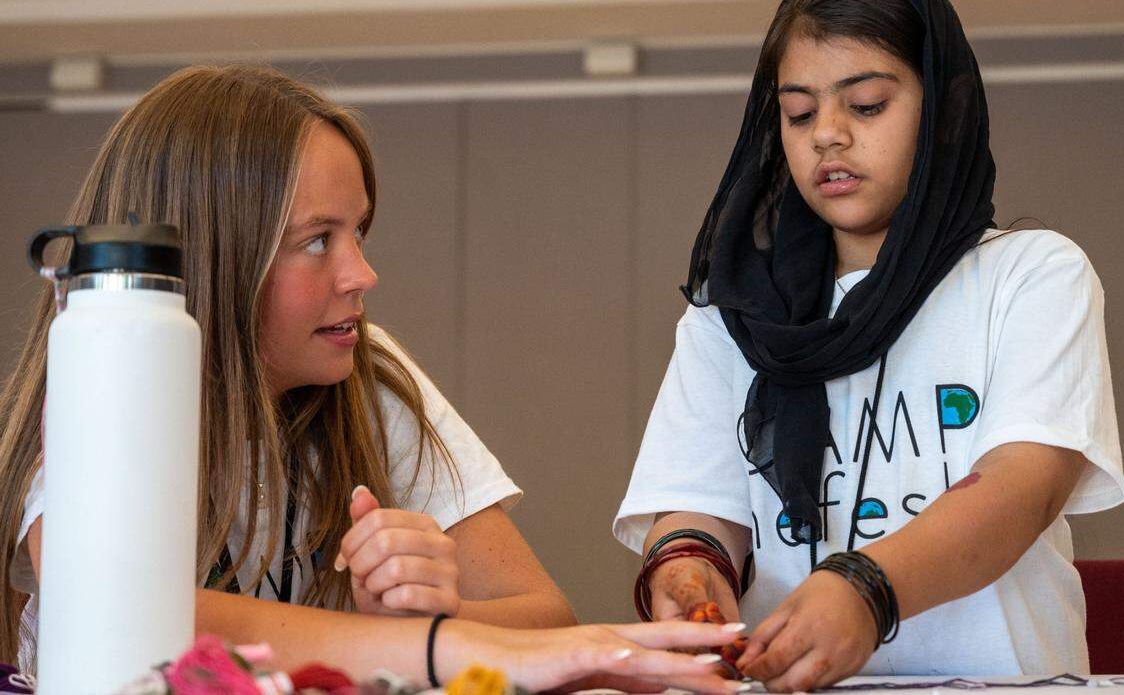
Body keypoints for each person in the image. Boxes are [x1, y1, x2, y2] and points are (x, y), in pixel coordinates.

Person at [0, 64, 746, 693]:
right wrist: (423, 647)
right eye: (317, 241)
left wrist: (424, 616)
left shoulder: (368, 375)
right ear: (219, 256)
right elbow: (129, 614)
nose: (362, 274)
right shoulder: (100, 380)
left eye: (359, 233)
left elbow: (543, 625)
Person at [614, 0, 1124, 691]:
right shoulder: (730, 316)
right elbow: (696, 509)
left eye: (865, 105)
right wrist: (689, 575)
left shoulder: (1032, 275)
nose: (826, 135)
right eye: (798, 112)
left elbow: (1022, 489)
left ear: (943, 112)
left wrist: (865, 587)